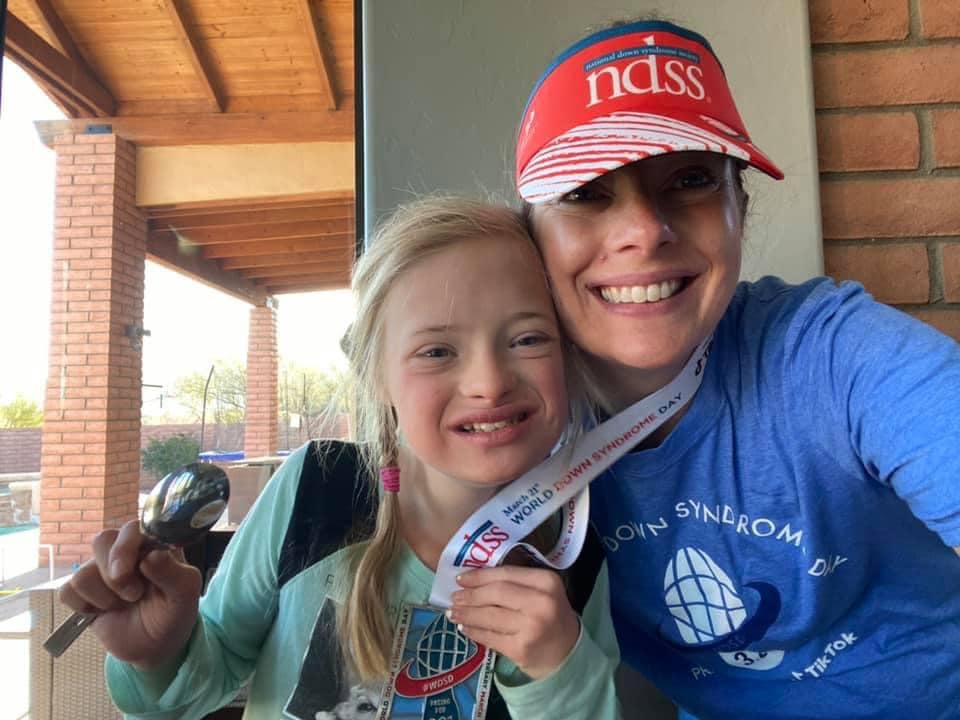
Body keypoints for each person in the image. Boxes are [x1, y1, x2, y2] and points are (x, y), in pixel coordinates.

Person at [457, 17, 960, 720]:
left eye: (690, 179)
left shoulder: (833, 352)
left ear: (739, 210)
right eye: (587, 192)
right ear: (532, 236)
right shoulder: (511, 415)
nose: (643, 230)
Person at [58, 197, 622, 720]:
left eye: (528, 339)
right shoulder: (317, 488)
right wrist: (158, 657)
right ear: (377, 375)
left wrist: (559, 667)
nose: (489, 383)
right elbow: (211, 671)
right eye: (436, 351)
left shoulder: (578, 541)